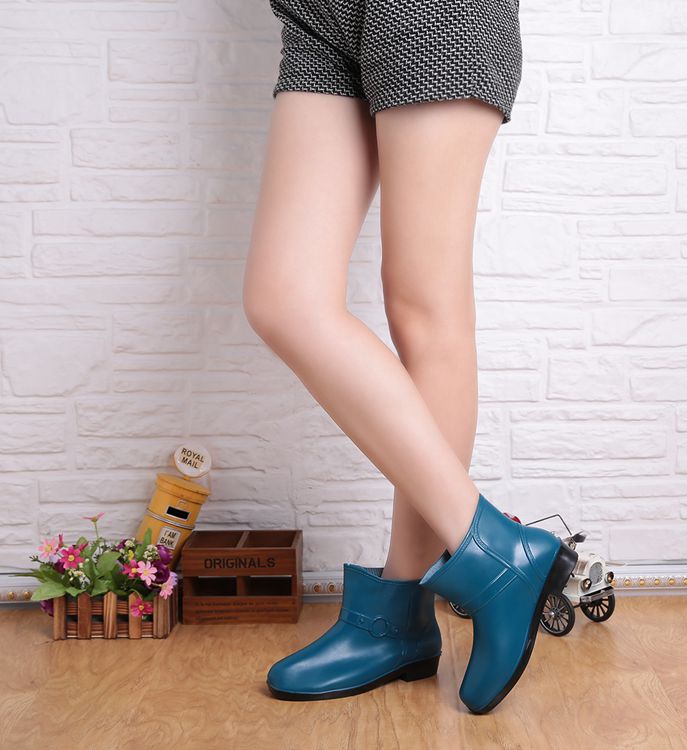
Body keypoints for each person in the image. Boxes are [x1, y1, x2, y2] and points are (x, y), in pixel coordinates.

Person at [242, 0, 577, 714]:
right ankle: (493, 553)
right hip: (316, 14)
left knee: (425, 309)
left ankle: (398, 614)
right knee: (283, 298)